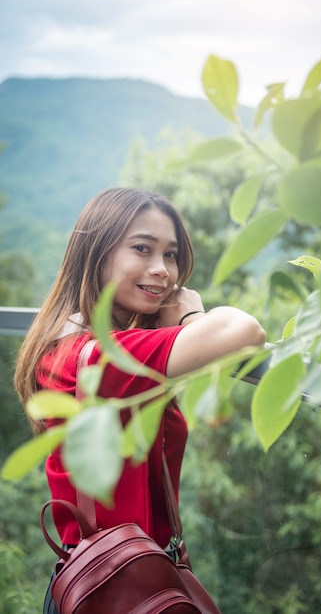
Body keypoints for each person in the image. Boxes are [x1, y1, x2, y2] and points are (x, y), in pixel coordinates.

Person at [14, 186, 266, 614]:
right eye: (142, 249)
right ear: (95, 253)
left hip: (116, 579)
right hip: (118, 587)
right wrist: (191, 316)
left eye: (170, 255)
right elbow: (244, 332)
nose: (163, 270)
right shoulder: (98, 358)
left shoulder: (75, 343)